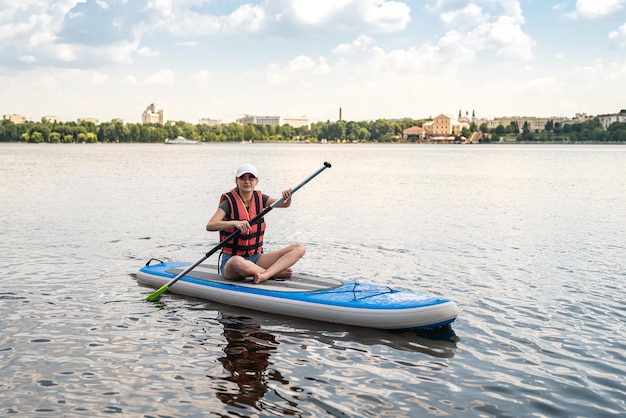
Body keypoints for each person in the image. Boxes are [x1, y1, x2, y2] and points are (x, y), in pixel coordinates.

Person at [206, 163, 306, 284]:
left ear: (256, 181)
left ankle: (266, 274)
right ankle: (272, 273)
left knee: (299, 249)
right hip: (232, 262)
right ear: (236, 181)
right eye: (243, 177)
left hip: (256, 258)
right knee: (237, 262)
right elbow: (210, 225)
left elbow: (283, 204)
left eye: (251, 177)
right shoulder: (228, 203)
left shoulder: (261, 198)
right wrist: (234, 223)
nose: (247, 181)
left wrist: (287, 197)